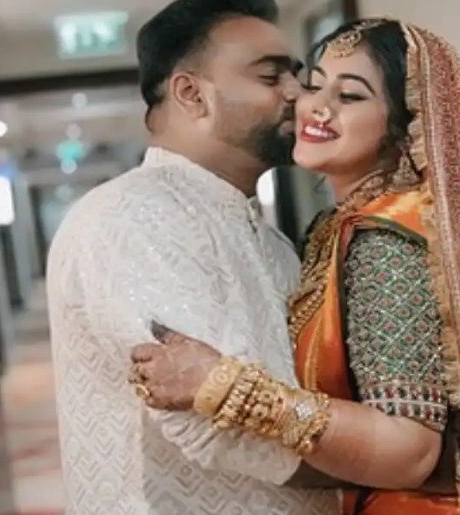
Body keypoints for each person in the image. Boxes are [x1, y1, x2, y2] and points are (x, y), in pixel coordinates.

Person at [130, 18, 460, 515]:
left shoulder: (384, 241)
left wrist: (224, 386)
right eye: (315, 85)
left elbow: (410, 450)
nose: (315, 106)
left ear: (406, 126)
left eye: (350, 95)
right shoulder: (342, 227)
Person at [46, 0, 345, 513]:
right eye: (271, 76)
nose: (298, 93)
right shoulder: (132, 214)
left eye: (295, 75)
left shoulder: (267, 240)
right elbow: (220, 427)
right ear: (191, 93)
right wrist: (405, 464)